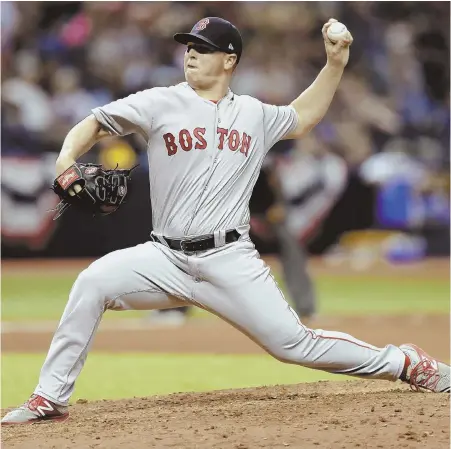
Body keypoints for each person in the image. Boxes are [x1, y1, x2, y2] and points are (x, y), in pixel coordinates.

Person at [2, 16, 449, 425]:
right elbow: (95, 123)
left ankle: (406, 363)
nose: (191, 53)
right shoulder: (161, 102)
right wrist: (65, 157)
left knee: (293, 344)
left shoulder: (254, 113)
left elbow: (303, 116)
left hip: (230, 257)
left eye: (203, 46)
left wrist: (334, 63)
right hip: (164, 256)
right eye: (188, 45)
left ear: (229, 59)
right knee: (92, 282)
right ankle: (50, 397)